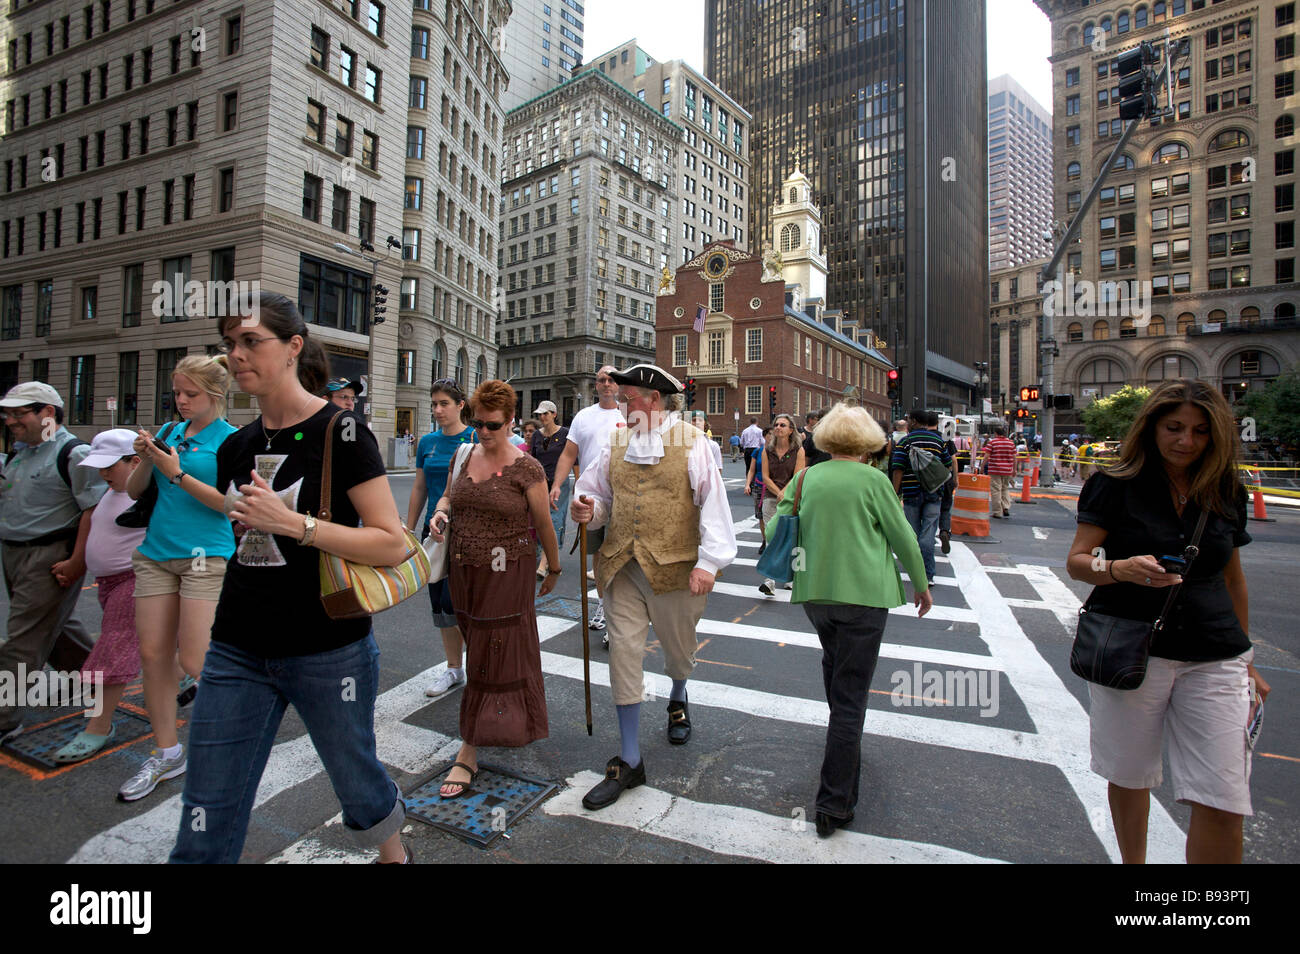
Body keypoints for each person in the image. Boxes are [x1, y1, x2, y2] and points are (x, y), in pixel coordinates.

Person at [169, 292, 412, 864]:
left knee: (355, 777)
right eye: (230, 343)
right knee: (207, 802)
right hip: (236, 647)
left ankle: (394, 853)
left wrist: (295, 525)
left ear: (293, 347)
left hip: (328, 647)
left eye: (251, 341)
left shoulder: (343, 433)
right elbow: (240, 529)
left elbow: (391, 543)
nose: (236, 354)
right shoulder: (237, 446)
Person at [1065, 379, 1267, 864]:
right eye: (1174, 428)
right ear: (1152, 426)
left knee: (1224, 796)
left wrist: (1248, 661)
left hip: (1215, 656)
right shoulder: (1114, 485)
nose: (1186, 441)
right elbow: (1077, 562)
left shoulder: (1227, 490)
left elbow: (1233, 580)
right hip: (1132, 650)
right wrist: (1116, 569)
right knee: (1131, 776)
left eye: (1200, 431)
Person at [570, 364, 737, 811]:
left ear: (655, 401)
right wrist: (589, 510)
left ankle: (678, 695)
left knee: (678, 652)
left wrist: (709, 563)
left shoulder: (693, 443)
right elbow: (599, 495)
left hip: (676, 571)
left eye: (628, 398)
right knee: (623, 652)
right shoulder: (616, 442)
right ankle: (629, 758)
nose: (621, 405)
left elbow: (713, 505)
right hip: (622, 567)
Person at [769, 404, 932, 837]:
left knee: (836, 665)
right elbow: (903, 537)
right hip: (865, 595)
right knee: (851, 697)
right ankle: (833, 803)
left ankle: (843, 751)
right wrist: (921, 583)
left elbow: (775, 531)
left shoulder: (806, 478)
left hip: (815, 593)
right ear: (866, 443)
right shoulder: (874, 481)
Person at [426, 380, 560, 798]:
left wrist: (553, 567)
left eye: (492, 425)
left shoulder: (527, 468)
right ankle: (501, 722)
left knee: (489, 648)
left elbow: (543, 524)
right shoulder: (464, 454)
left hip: (509, 571)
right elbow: (448, 497)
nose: (483, 432)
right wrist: (440, 513)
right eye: (477, 423)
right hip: (465, 570)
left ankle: (468, 746)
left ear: (510, 422)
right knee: (479, 646)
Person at [120, 354, 238, 802]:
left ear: (216, 395)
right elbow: (132, 491)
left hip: (206, 555)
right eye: (177, 393)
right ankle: (167, 753)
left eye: (191, 394)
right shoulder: (169, 433)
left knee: (195, 661)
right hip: (156, 552)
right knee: (153, 655)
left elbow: (229, 507)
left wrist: (178, 472)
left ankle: (226, 744)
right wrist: (148, 459)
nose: (182, 401)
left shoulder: (231, 440)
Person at [0, 382, 108, 745]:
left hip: (49, 555)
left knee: (21, 639)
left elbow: (93, 509)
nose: (10, 420)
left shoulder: (74, 453)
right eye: (8, 414)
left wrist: (78, 560)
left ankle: (4, 717)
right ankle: (99, 682)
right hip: (14, 552)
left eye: (19, 413)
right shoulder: (21, 452)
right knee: (56, 626)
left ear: (47, 413)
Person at [50, 430, 149, 763]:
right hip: (107, 584)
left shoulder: (149, 493)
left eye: (110, 466)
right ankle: (189, 673)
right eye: (100, 467)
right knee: (145, 644)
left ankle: (98, 726)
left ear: (135, 461)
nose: (104, 473)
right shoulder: (110, 492)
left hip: (134, 580)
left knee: (113, 648)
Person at [406, 378, 477, 698]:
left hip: (470, 534)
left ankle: (479, 666)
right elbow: (420, 487)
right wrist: (409, 530)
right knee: (441, 605)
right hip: (434, 531)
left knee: (464, 602)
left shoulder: (476, 437)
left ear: (460, 405)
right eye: (433, 404)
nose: (437, 410)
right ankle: (453, 668)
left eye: (444, 403)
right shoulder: (427, 442)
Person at [550, 366, 625, 635]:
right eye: (601, 380)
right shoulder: (583, 416)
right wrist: (557, 485)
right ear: (596, 386)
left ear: (619, 384)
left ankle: (618, 612)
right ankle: (604, 604)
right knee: (597, 555)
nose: (606, 384)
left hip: (623, 496)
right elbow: (569, 455)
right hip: (591, 496)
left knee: (619, 555)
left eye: (611, 380)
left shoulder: (630, 415)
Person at [890, 410, 951, 587]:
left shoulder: (906, 441)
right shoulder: (938, 441)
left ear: (914, 422)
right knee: (929, 532)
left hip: (911, 492)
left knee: (913, 533)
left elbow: (898, 468)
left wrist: (895, 493)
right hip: (934, 492)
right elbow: (947, 465)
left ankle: (916, 571)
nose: (907, 422)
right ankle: (928, 574)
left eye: (909, 420)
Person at [751, 413, 805, 596]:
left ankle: (791, 577)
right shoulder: (767, 450)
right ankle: (769, 580)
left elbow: (798, 476)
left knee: (792, 537)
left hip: (792, 499)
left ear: (791, 430)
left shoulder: (798, 450)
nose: (778, 427)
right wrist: (778, 492)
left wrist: (786, 493)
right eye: (776, 424)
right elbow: (765, 476)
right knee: (771, 536)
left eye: (783, 425)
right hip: (771, 498)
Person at [528, 400, 572, 578]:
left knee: (554, 519)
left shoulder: (565, 434)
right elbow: (533, 459)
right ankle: (546, 554)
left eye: (546, 413)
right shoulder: (537, 436)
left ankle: (545, 563)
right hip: (540, 483)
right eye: (540, 414)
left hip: (559, 483)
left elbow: (572, 458)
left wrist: (581, 484)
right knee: (540, 519)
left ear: (554, 414)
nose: (542, 417)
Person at [981, 424, 1018, 519]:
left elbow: (986, 456)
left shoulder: (992, 442)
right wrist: (1014, 469)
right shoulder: (1011, 443)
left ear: (995, 433)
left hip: (995, 469)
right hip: (1007, 470)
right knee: (1005, 488)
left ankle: (997, 512)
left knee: (996, 490)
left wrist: (982, 466)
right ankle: (1006, 507)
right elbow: (1014, 458)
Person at [935, 412, 959, 554]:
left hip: (929, 480)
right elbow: (953, 460)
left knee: (929, 509)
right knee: (945, 508)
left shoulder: (929, 438)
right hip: (946, 478)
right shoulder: (946, 439)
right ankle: (944, 530)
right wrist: (955, 478)